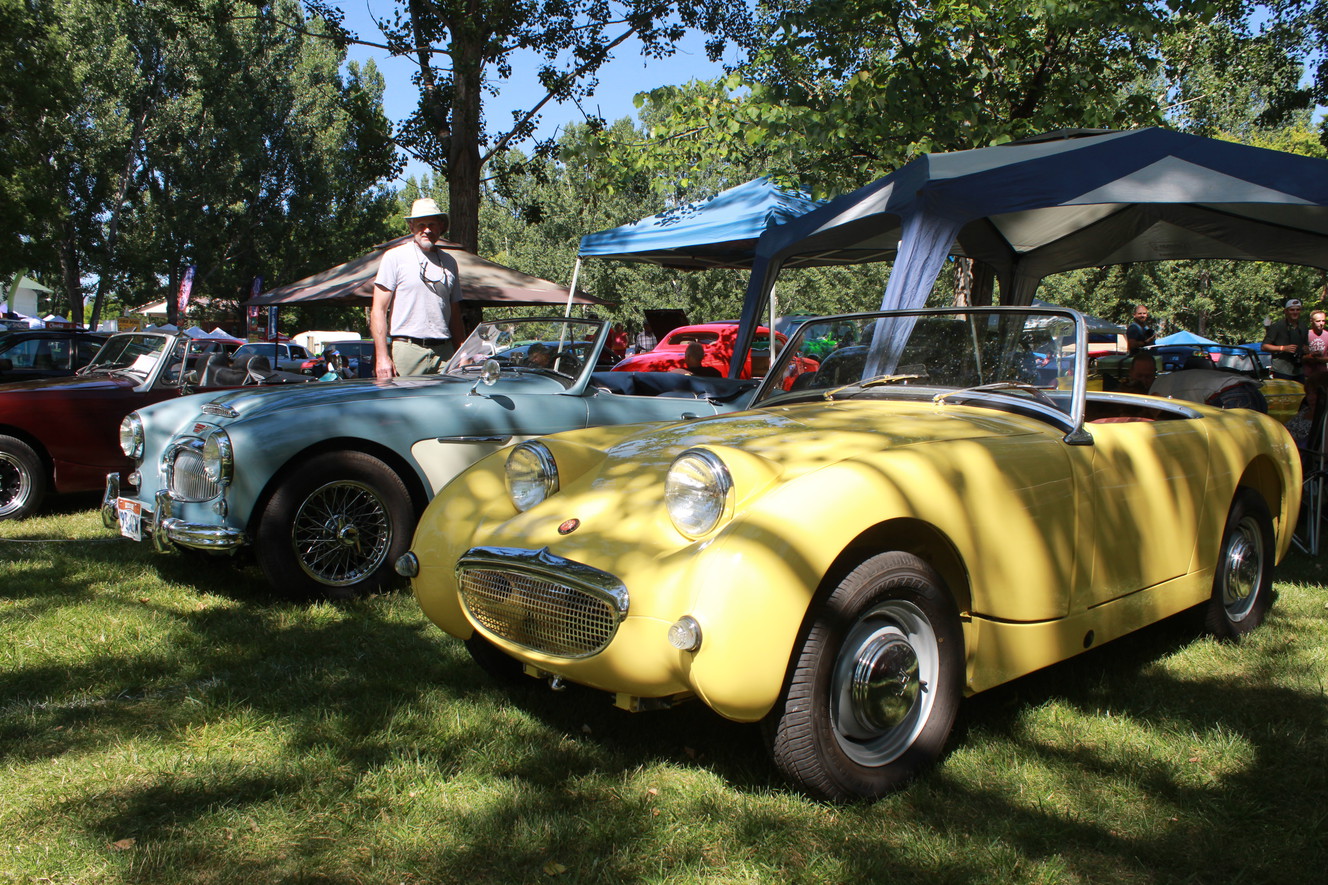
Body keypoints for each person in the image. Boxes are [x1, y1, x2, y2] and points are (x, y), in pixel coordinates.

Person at [371, 198, 464, 379]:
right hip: (407, 350)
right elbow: (378, 310)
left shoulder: (450, 263)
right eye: (421, 224)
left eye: (432, 224)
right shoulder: (395, 257)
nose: (427, 230)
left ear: (441, 226)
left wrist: (462, 352)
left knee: (449, 404)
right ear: (412, 227)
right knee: (404, 406)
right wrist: (382, 356)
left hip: (445, 353)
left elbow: (454, 313)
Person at [1262, 298, 1307, 381]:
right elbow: (1264, 346)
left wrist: (1306, 349)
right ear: (1286, 311)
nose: (1295, 312)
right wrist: (1283, 348)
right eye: (1292, 310)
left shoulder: (1303, 326)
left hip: (1299, 370)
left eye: (1298, 310)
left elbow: (1305, 345)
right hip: (1282, 371)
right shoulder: (1277, 326)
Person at [1305, 309, 1328, 379]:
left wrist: (1319, 359)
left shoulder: (1327, 335)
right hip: (1307, 374)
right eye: (1318, 321)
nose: (1321, 323)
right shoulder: (1305, 335)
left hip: (1323, 375)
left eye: (1323, 321)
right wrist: (1309, 356)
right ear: (1311, 321)